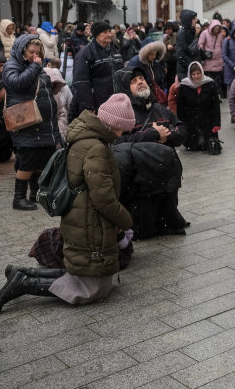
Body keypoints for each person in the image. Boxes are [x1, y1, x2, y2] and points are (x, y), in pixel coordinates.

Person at [0, 94, 135, 314]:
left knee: (87, 277)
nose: (123, 133)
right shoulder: (96, 148)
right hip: (89, 222)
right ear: (113, 124)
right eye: (122, 128)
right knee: (93, 288)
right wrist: (125, 220)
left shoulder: (84, 137)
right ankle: (24, 283)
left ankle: (23, 273)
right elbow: (102, 198)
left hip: (80, 217)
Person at [112, 67, 188, 239]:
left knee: (168, 220)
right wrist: (151, 135)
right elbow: (117, 143)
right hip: (141, 183)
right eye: (133, 81)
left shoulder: (160, 109)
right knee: (143, 229)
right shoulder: (122, 115)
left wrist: (166, 136)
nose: (140, 82)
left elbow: (182, 129)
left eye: (141, 78)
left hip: (166, 177)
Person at [2, 34, 61, 210]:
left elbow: (39, 83)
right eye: (30, 51)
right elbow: (17, 83)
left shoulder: (34, 65)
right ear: (22, 50)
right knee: (28, 159)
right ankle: (18, 198)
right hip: (26, 121)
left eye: (37, 51)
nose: (34, 55)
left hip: (42, 122)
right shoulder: (12, 65)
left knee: (41, 157)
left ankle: (35, 193)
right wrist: (35, 66)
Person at [69, 21, 124, 121]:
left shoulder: (114, 50)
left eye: (109, 31)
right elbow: (81, 82)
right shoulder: (86, 53)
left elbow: (121, 75)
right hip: (98, 103)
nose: (109, 34)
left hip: (116, 102)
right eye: (105, 32)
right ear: (97, 34)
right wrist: (89, 107)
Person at [177, 61, 221, 152]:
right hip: (191, 122)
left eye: (198, 73)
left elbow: (215, 106)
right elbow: (180, 108)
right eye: (193, 74)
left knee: (208, 145)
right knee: (194, 146)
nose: (196, 76)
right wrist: (181, 125)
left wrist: (217, 123)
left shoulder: (210, 84)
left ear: (202, 72)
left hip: (207, 120)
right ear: (190, 74)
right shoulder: (184, 86)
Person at [198, 22, 226, 97]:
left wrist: (222, 61)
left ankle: (215, 96)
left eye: (218, 29)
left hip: (217, 62)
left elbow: (222, 46)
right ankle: (209, 96)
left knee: (217, 82)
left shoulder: (219, 35)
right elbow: (200, 45)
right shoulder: (204, 33)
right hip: (208, 62)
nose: (217, 30)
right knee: (208, 82)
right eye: (215, 29)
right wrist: (202, 57)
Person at [174, 9, 201, 81]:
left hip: (191, 69)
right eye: (194, 19)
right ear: (188, 20)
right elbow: (180, 54)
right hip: (185, 70)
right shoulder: (182, 33)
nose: (196, 20)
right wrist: (192, 65)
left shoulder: (191, 30)